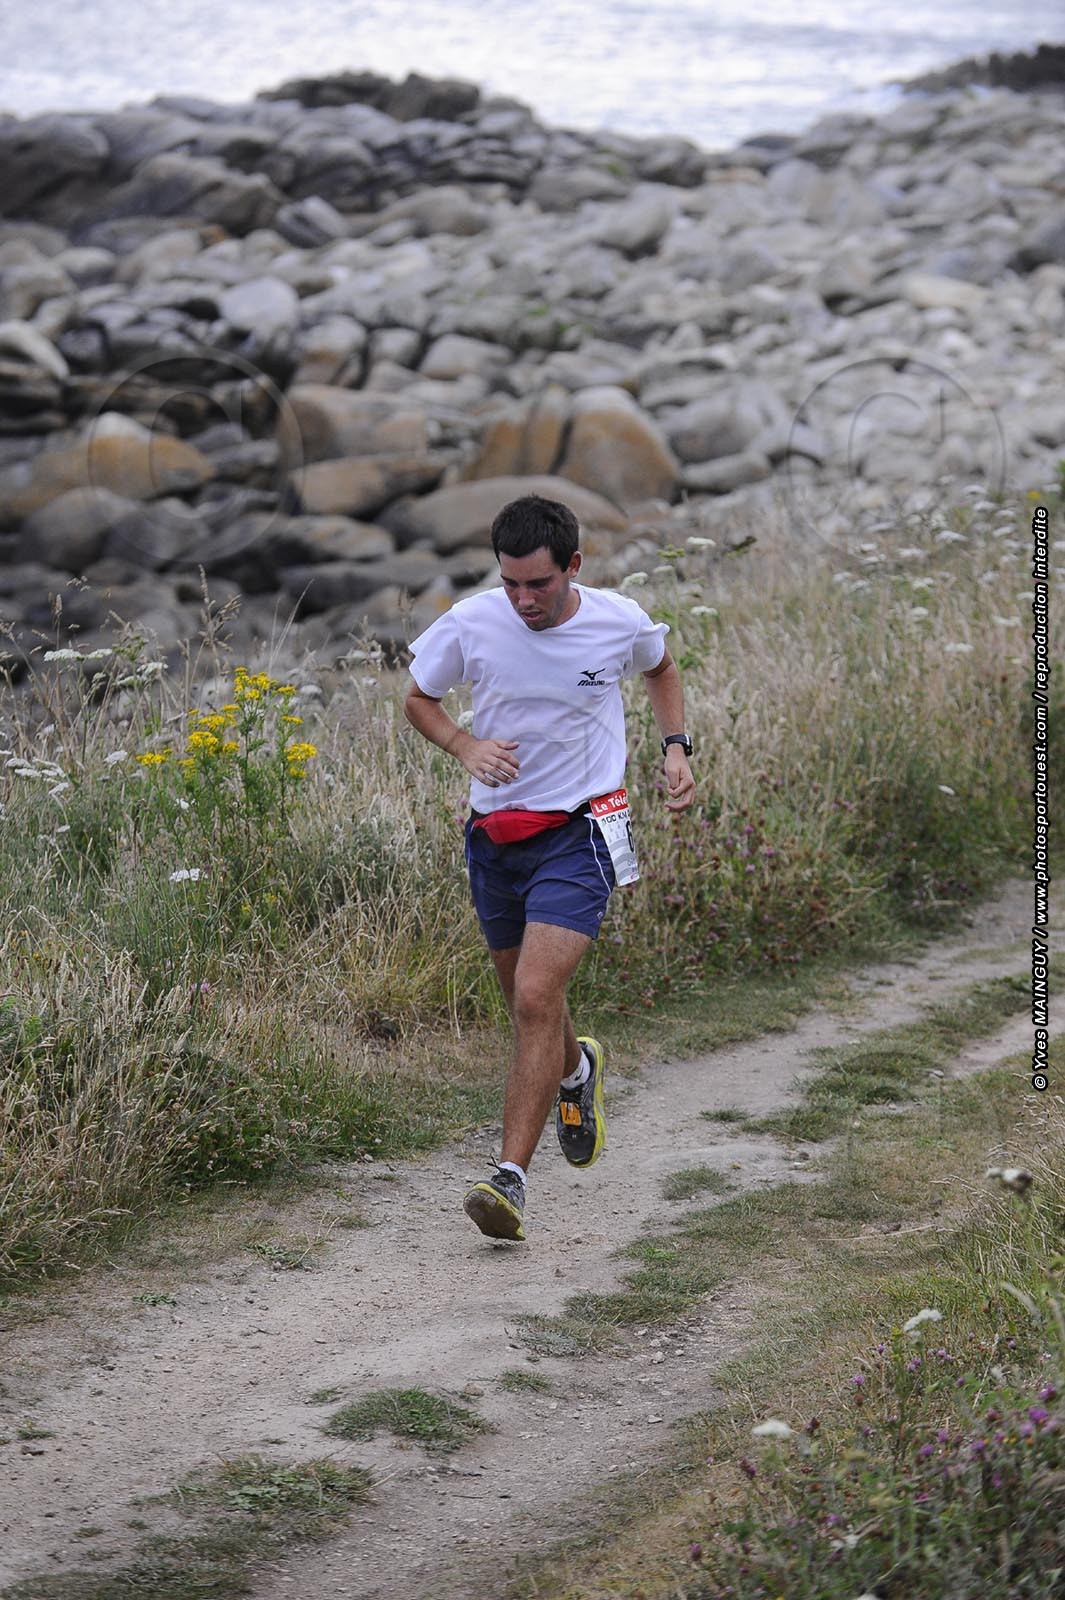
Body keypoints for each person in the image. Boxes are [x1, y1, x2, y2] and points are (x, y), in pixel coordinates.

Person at [403, 493, 695, 1242]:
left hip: (583, 828)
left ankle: (508, 1179)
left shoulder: (617, 620)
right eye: (511, 583)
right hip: (495, 837)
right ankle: (576, 1074)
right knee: (526, 1001)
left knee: (536, 995)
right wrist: (465, 746)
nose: (524, 600)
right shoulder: (471, 622)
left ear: (574, 566)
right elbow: (419, 700)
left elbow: (662, 669)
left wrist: (675, 748)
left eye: (539, 583)